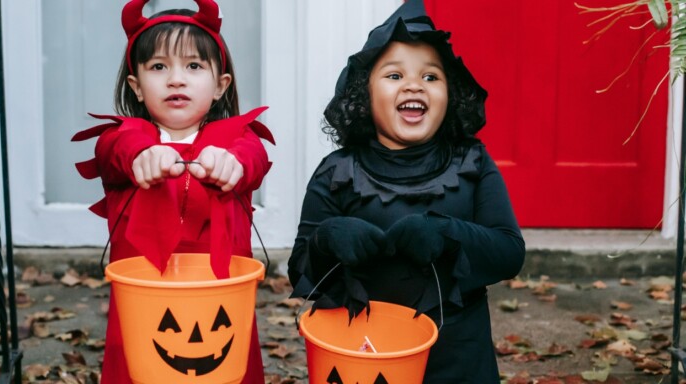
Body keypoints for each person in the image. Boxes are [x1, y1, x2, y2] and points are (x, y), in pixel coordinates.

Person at [287, 0, 525, 382]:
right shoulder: (338, 172)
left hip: (459, 355)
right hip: (363, 357)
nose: (414, 84)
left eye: (431, 77)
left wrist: (448, 233)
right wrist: (326, 240)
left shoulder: (472, 162)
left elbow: (509, 253)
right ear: (365, 94)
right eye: (394, 76)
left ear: (449, 95)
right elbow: (300, 271)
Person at [71, 1, 274, 383]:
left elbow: (254, 159)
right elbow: (114, 152)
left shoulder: (236, 142)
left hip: (218, 312)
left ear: (220, 85)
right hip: (146, 310)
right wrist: (141, 157)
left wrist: (235, 163)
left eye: (194, 66)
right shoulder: (124, 139)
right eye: (158, 67)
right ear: (136, 85)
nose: (176, 79)